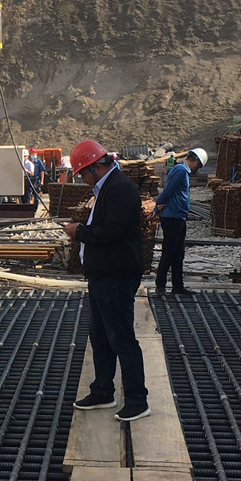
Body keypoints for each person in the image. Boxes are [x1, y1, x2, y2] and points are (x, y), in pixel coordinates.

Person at [63, 139, 150, 422]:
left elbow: (110, 231)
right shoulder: (107, 188)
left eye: (83, 174)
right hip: (103, 276)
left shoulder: (120, 189)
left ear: (96, 167)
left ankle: (137, 400)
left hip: (116, 276)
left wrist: (79, 232)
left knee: (121, 338)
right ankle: (102, 390)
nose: (82, 180)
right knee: (100, 336)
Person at [153, 147, 207, 297]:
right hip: (172, 217)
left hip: (178, 217)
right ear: (196, 161)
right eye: (199, 166)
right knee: (169, 252)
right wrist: (156, 208)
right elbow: (167, 191)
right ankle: (160, 286)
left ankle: (178, 286)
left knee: (178, 253)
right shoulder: (181, 171)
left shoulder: (181, 170)